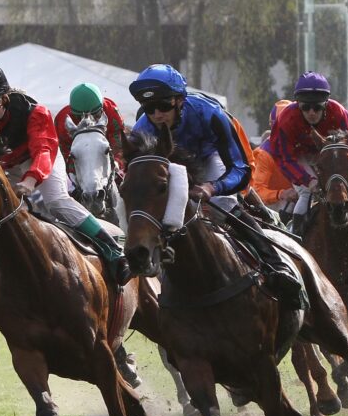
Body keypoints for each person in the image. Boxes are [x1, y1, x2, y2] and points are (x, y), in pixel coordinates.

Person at [0, 57, 133, 286]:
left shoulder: (34, 112)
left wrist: (31, 180)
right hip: (5, 165)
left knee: (56, 201)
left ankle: (112, 249)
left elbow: (43, 149)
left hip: (40, 158)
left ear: (5, 98)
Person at [128, 64, 301, 306]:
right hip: (175, 166)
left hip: (213, 157)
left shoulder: (209, 113)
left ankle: (275, 264)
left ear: (179, 100)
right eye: (148, 108)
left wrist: (212, 188)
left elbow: (241, 169)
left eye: (164, 105)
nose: (157, 114)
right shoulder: (142, 129)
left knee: (223, 203)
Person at [271, 71, 348, 237]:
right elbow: (284, 158)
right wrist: (307, 181)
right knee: (306, 192)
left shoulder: (339, 113)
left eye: (317, 107)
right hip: (298, 156)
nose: (311, 112)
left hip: (329, 155)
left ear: (326, 104)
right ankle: (296, 235)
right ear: (297, 105)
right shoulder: (286, 118)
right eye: (305, 107)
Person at [54, 82, 128, 175]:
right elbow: (65, 154)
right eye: (81, 117)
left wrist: (117, 162)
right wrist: (72, 173)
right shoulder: (63, 121)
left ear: (102, 108)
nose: (90, 121)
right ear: (74, 114)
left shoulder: (111, 111)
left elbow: (119, 144)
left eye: (96, 115)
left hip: (106, 155)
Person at [251, 100, 298, 223]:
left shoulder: (303, 146)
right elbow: (257, 192)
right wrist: (281, 194)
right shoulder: (264, 155)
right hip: (270, 207)